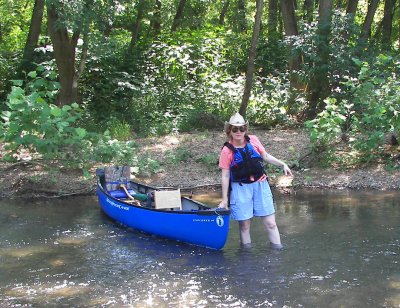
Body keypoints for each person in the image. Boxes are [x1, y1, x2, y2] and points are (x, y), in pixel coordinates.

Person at [218, 113, 293, 249]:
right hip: (240, 188)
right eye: (235, 129)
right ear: (229, 130)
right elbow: (225, 176)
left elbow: (265, 156)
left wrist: (282, 164)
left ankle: (278, 251)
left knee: (271, 223)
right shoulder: (226, 151)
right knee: (244, 226)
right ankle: (246, 257)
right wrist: (224, 199)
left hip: (260, 185)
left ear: (246, 129)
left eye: (242, 129)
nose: (239, 132)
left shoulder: (253, 140)